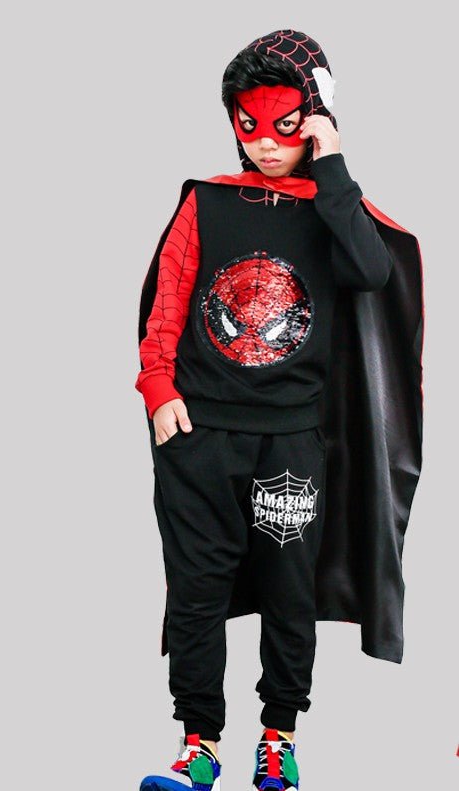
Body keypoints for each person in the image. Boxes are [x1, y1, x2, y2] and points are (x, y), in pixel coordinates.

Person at [135, 29, 424, 791]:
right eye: (248, 124)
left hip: (290, 440)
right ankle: (198, 743)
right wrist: (158, 390)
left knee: (289, 591)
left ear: (315, 118)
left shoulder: (332, 208)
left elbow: (369, 270)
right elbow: (168, 300)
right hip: (198, 434)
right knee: (195, 592)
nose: (265, 142)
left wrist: (330, 164)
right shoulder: (206, 201)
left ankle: (278, 737)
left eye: (286, 124)